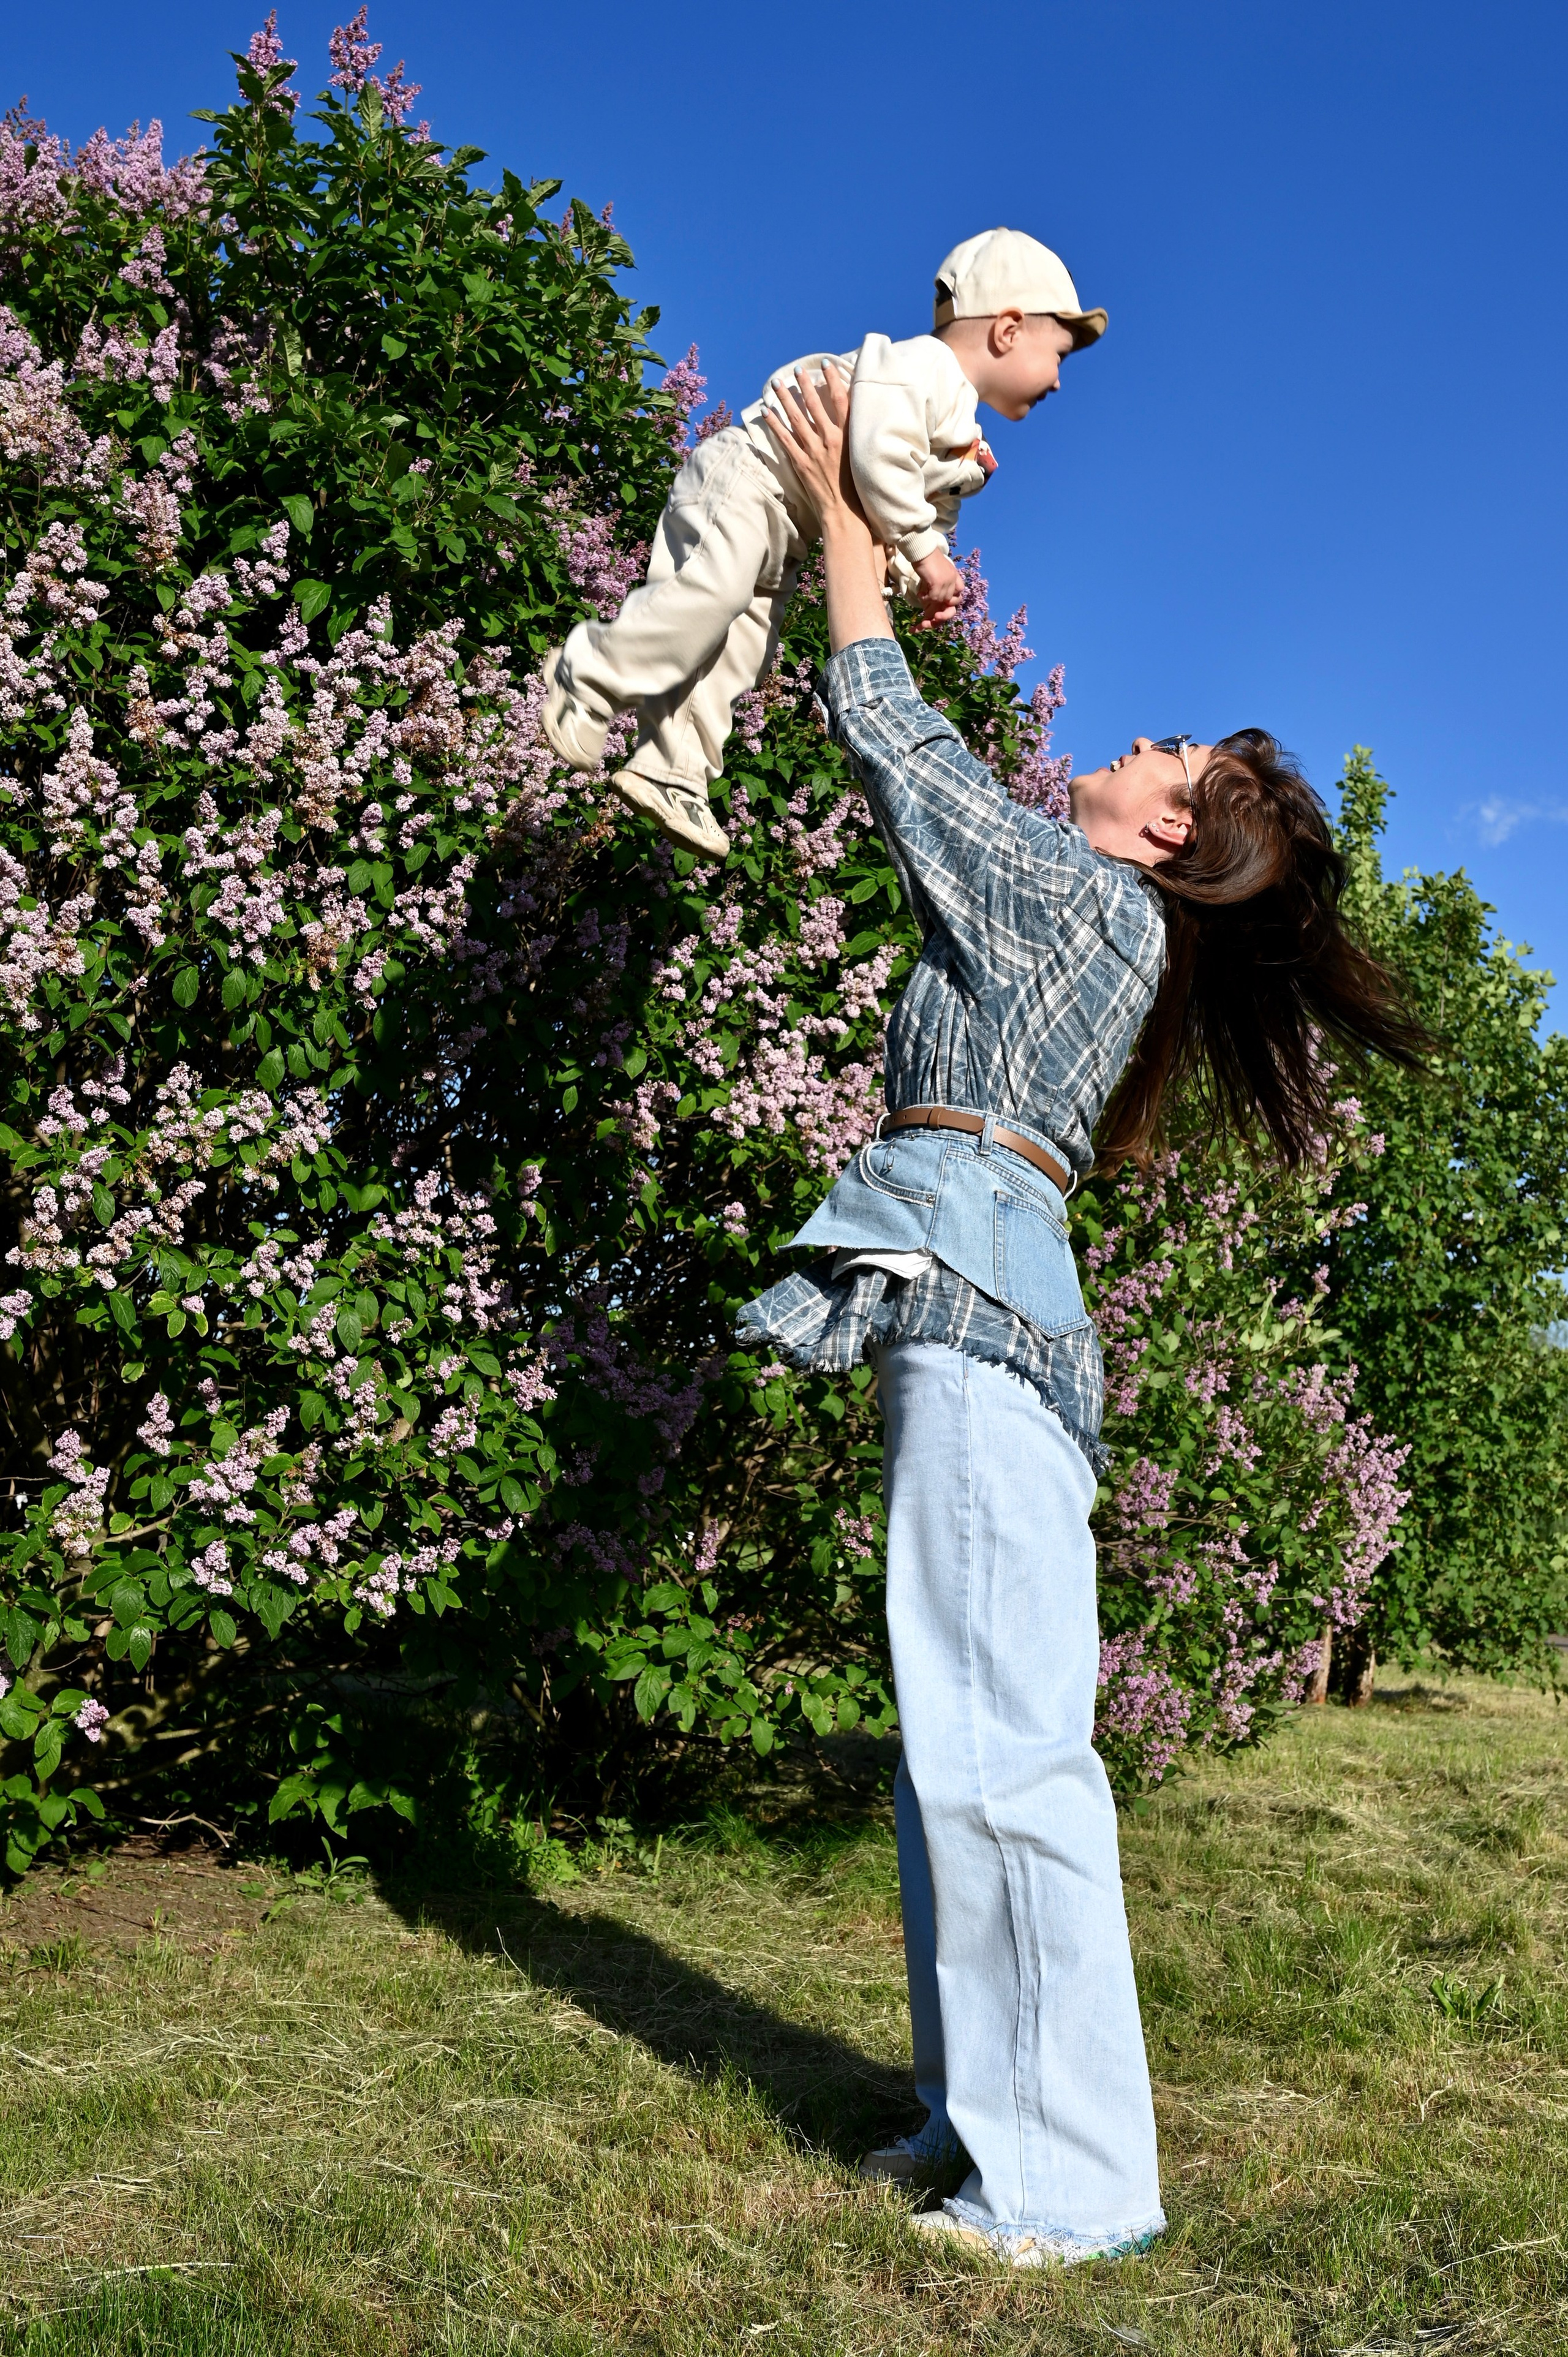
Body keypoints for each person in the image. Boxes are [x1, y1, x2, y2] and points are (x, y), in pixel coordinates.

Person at [737, 365, 1427, 2269]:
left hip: (973, 1314)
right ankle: (979, 2118)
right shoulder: (1090, 906)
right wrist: (913, 565)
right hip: (962, 1301)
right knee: (956, 1736)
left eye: (1165, 762)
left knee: (1003, 1744)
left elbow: (891, 746)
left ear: (1157, 840)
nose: (1129, 743)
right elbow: (948, 771)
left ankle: (1071, 2184)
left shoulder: (1091, 910)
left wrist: (847, 536)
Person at [541, 227, 1106, 859]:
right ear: (1006, 329)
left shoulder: (960, 426)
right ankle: (588, 669)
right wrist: (924, 549)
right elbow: (875, 456)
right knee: (707, 597)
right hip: (749, 480)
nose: (1058, 381)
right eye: (1059, 354)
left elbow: (915, 507)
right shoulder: (922, 370)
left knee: (740, 650)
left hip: (788, 526)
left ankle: (671, 771)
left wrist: (919, 574)